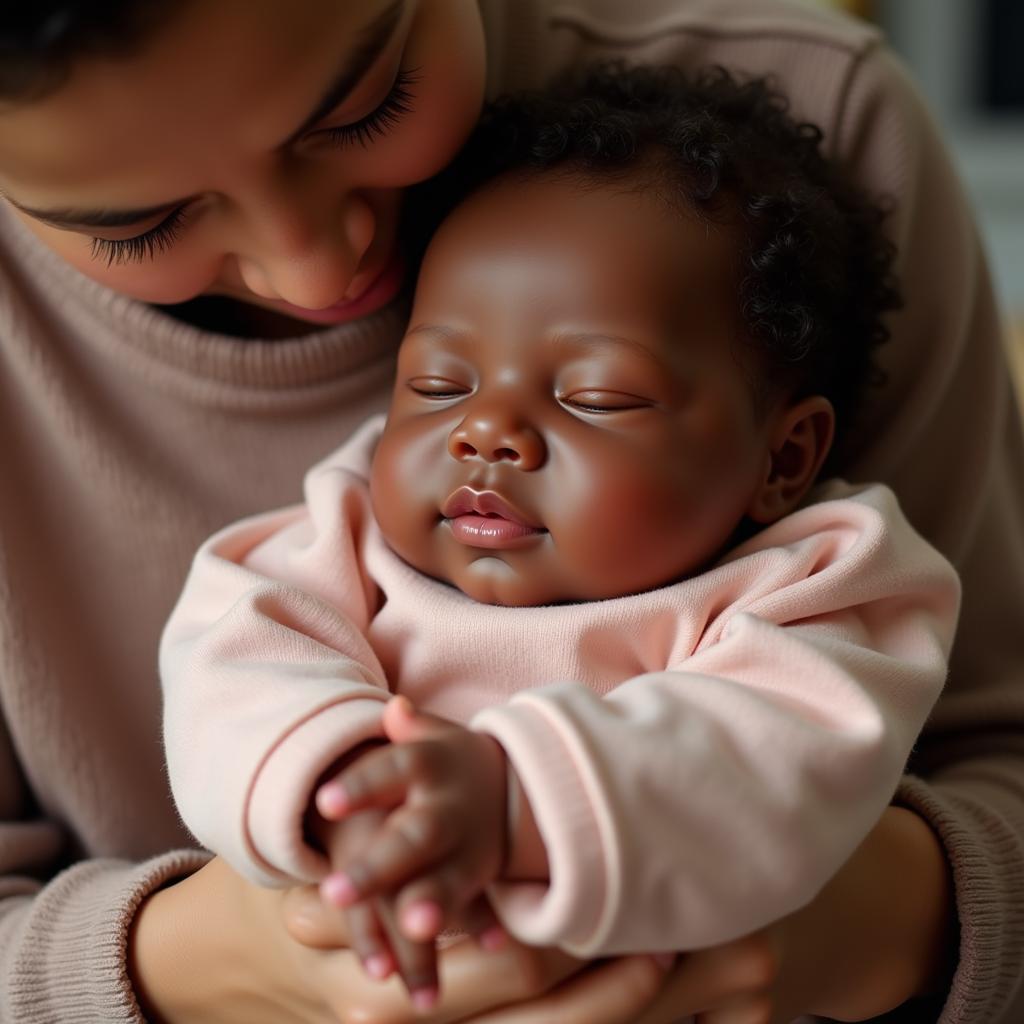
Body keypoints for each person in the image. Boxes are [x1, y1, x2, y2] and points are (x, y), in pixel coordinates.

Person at [0, 2, 1018, 1022]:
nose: (313, 263)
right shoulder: (346, 530)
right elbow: (237, 658)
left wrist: (516, 802)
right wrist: (331, 801)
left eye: (366, 103)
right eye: (138, 224)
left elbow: (791, 740)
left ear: (785, 454)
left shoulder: (819, 574)